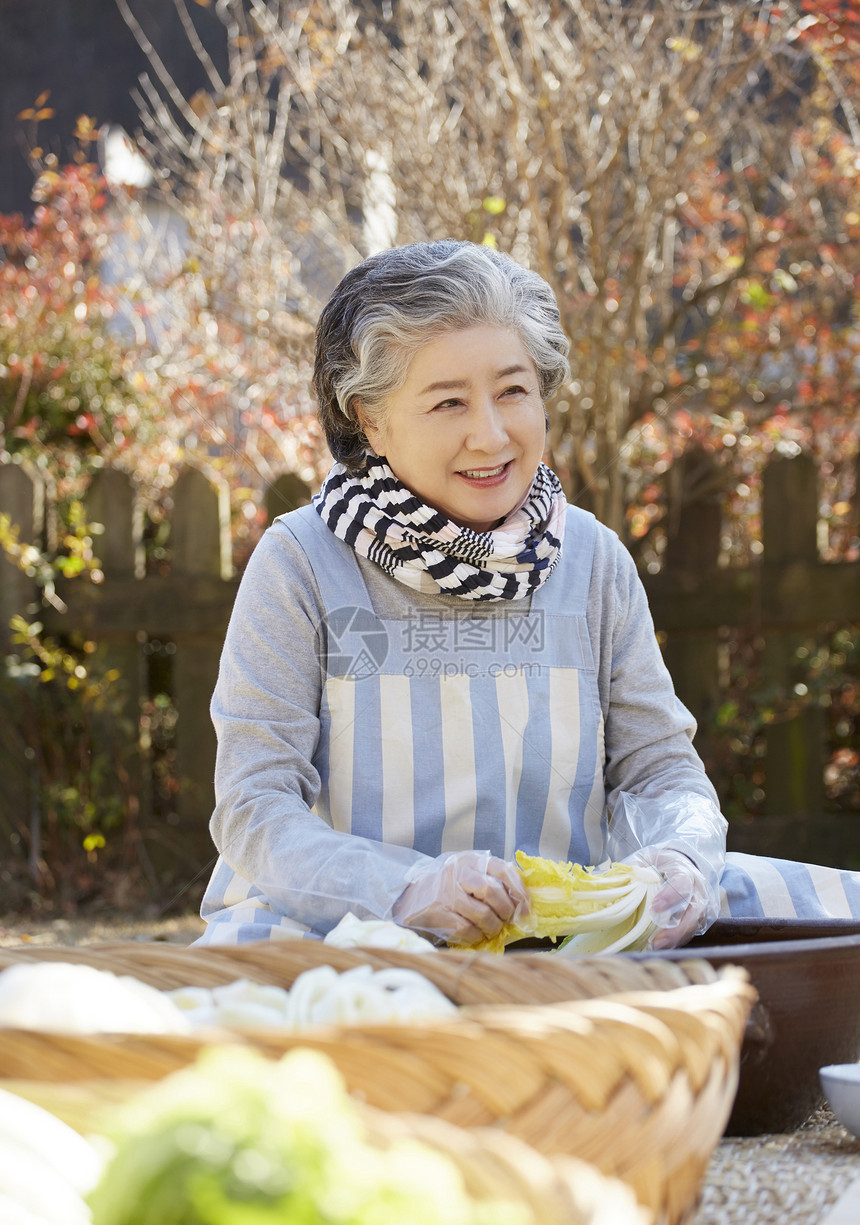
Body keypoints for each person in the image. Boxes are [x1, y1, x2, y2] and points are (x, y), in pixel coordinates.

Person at [195, 239, 860, 948]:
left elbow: (660, 771)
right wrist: (403, 890)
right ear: (369, 419)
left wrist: (679, 858)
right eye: (448, 402)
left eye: (513, 390)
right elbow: (254, 806)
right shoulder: (301, 563)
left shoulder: (593, 559)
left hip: (562, 941)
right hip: (350, 932)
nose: (491, 434)